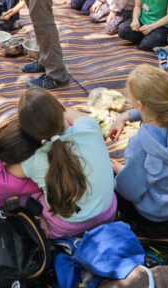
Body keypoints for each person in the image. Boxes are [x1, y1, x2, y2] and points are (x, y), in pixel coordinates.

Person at [107, 64, 168, 237]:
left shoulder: (140, 145)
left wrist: (122, 171)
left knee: (106, 177)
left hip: (153, 218)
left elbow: (129, 190)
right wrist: (124, 117)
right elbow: (152, 112)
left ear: (140, 105)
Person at [16, 87, 116, 238]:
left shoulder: (34, 160)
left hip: (64, 229)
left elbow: (8, 170)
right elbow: (72, 114)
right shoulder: (89, 126)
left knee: (25, 191)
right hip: (107, 214)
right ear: (59, 107)